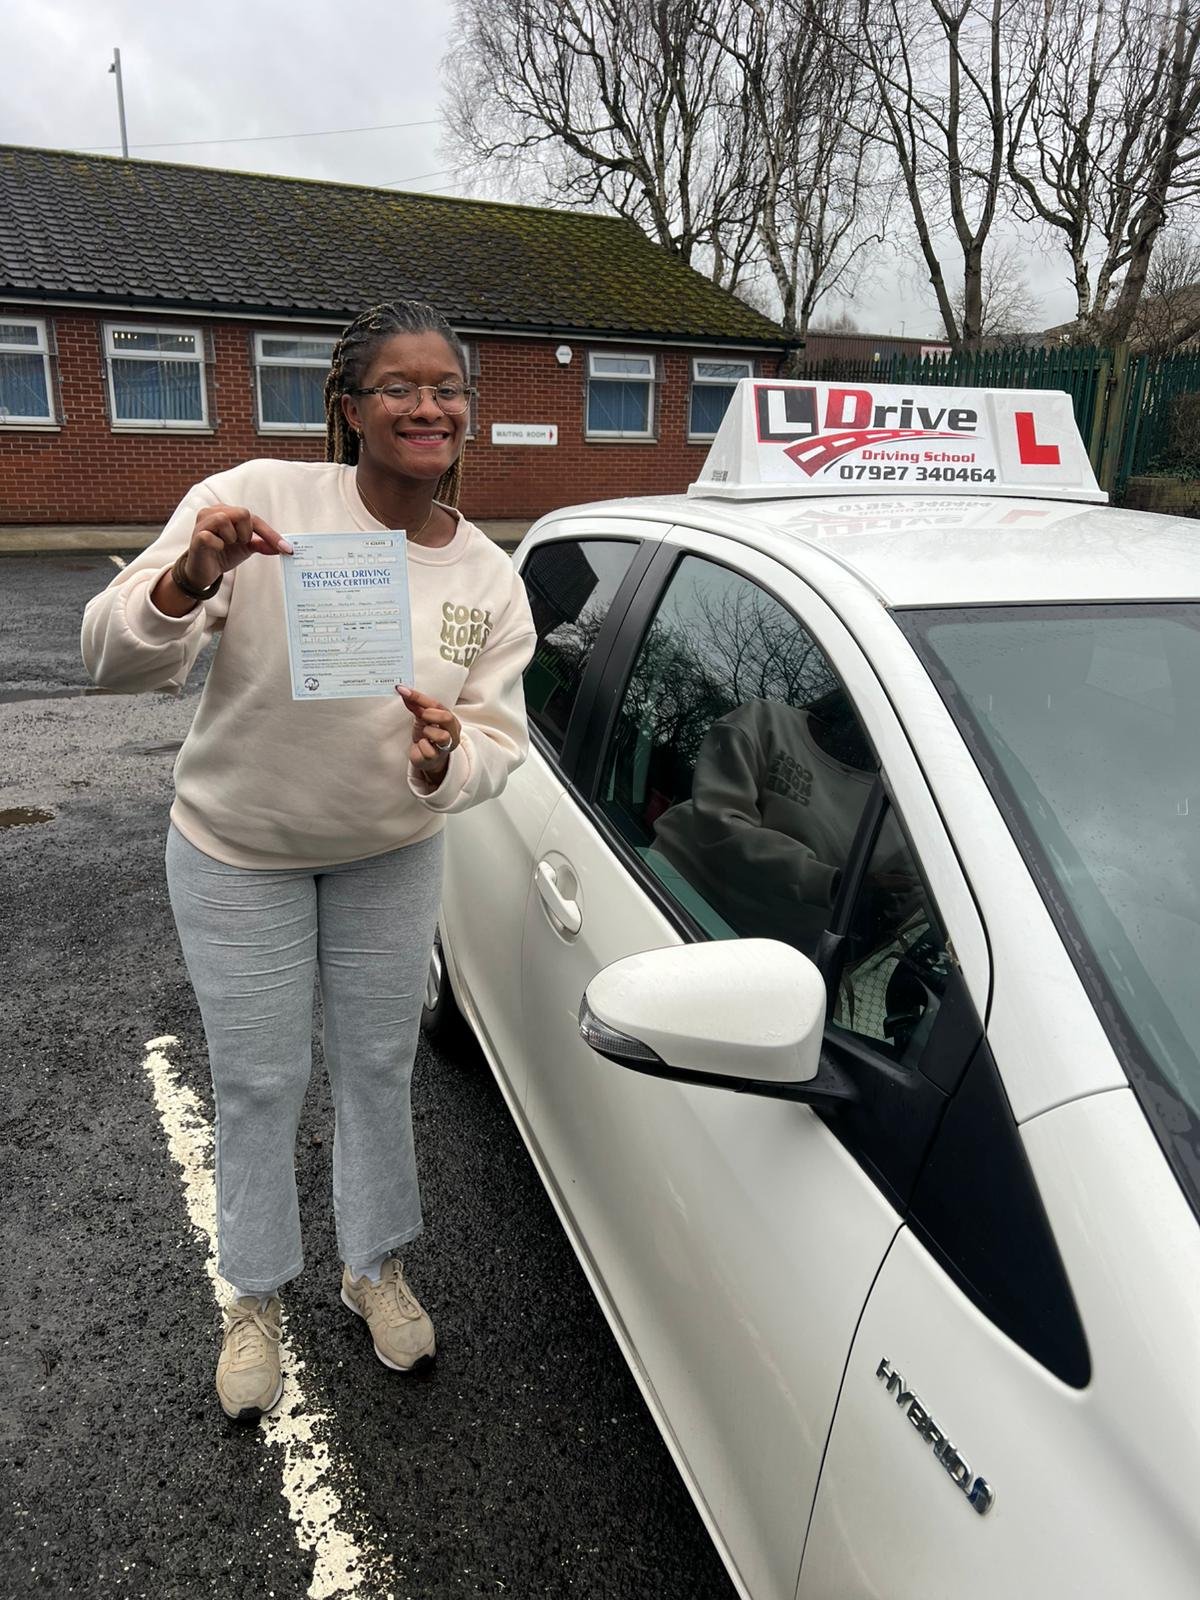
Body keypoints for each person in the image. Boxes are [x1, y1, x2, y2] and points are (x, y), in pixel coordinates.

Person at [81, 300, 535, 1422]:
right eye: (399, 387)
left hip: (390, 854)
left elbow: (499, 737)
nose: (428, 407)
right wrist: (191, 577)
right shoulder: (258, 502)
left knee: (378, 1066)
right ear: (348, 405)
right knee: (259, 1079)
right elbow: (111, 657)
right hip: (240, 850)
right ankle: (254, 1295)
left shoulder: (487, 575)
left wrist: (448, 758)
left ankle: (371, 1264)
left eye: (447, 388)